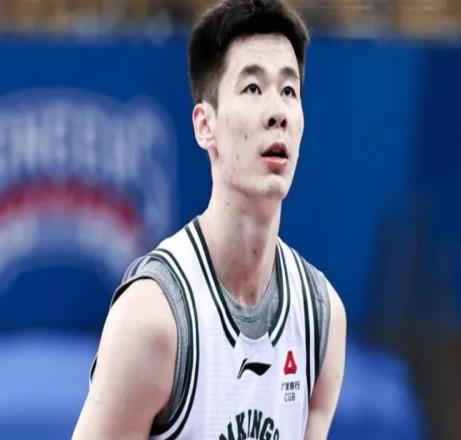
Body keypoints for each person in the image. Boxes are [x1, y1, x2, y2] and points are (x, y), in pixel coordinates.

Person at [73, 0, 346, 438]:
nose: (277, 111)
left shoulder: (321, 317)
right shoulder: (153, 318)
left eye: (289, 91)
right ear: (205, 125)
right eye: (253, 88)